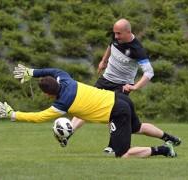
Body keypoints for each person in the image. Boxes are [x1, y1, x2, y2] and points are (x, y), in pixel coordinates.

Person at [0, 66, 177, 158]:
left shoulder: (62, 104)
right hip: (121, 99)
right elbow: (52, 70)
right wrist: (32, 71)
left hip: (117, 111)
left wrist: (13, 114)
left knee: (122, 154)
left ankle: (163, 150)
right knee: (136, 127)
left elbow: (38, 117)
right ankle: (170, 138)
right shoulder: (65, 78)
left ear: (47, 94)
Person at [71, 18, 181, 154]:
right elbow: (110, 46)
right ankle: (70, 131)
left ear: (128, 32)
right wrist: (103, 61)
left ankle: (112, 145)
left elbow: (149, 72)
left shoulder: (137, 49)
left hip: (121, 86)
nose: (115, 36)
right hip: (105, 79)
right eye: (114, 33)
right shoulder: (116, 37)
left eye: (118, 34)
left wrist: (135, 87)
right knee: (89, 104)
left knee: (114, 115)